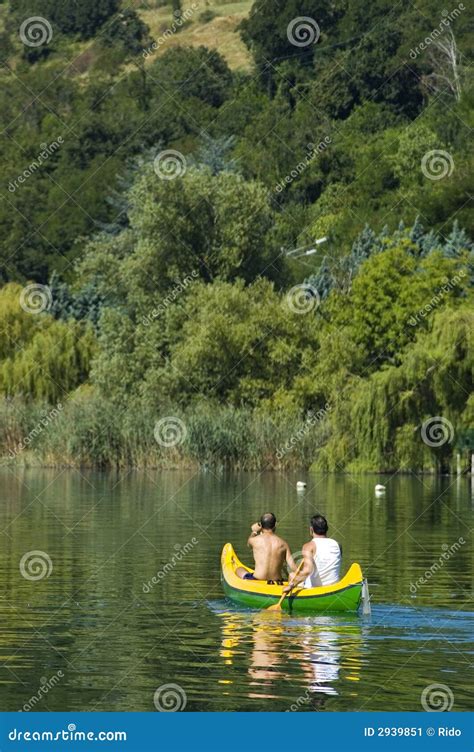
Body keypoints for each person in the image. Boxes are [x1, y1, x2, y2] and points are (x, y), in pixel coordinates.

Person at [283, 514, 341, 593]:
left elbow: (307, 571)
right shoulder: (337, 544)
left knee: (292, 575)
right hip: (335, 588)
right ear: (327, 529)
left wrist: (291, 584)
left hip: (315, 590)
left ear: (311, 529)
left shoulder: (309, 546)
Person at [236, 513, 296, 583]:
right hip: (277, 582)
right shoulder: (283, 544)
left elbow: (248, 544)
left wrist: (254, 531)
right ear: (275, 525)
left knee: (239, 569)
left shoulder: (254, 540)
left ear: (261, 526)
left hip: (257, 579)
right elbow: (293, 567)